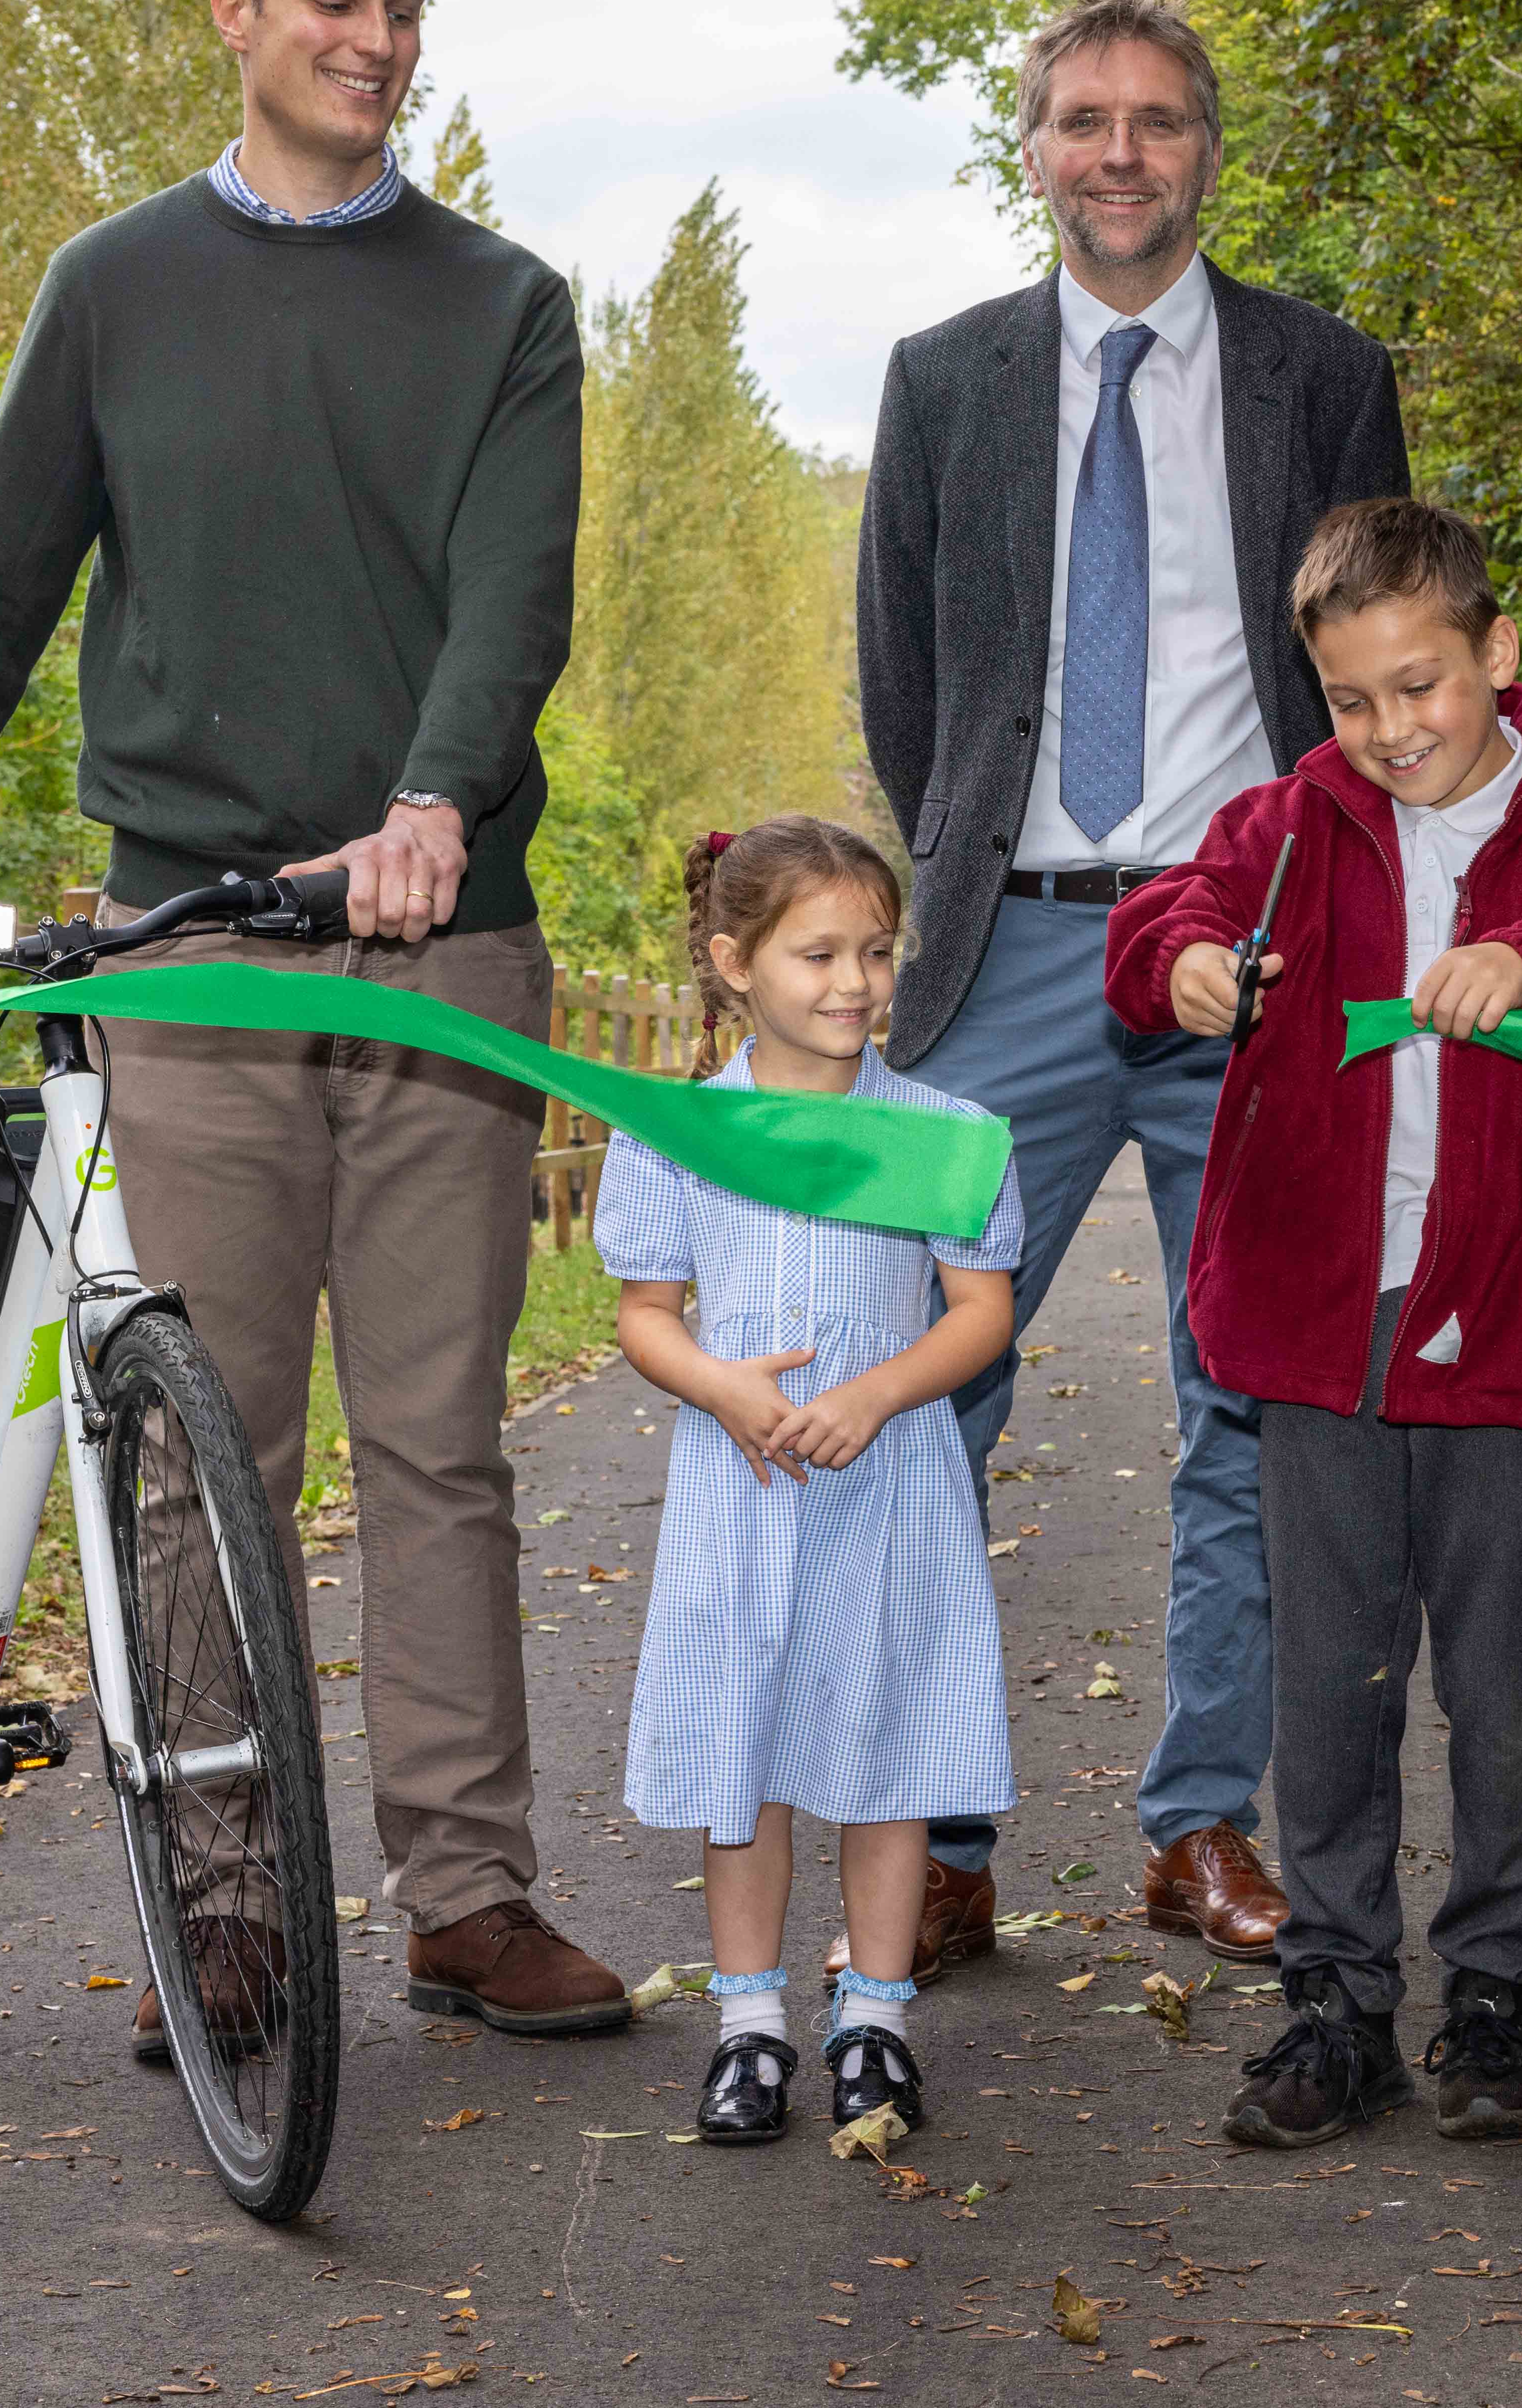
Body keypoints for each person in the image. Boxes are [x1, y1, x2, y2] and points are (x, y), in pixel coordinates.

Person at [0, 0, 631, 2051]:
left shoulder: (506, 305)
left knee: (442, 1433)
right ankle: (227, 1903)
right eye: (331, 0)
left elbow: (508, 602)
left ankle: (465, 1890)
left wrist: (435, 799)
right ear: (232, 14)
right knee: (204, 1443)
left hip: (441, 948)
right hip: (186, 948)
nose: (372, 39)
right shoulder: (112, 291)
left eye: (403, 5)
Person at [853, 0, 1412, 1980]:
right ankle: (938, 1841)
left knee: (1246, 1395)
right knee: (937, 1394)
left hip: (1254, 949)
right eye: (1082, 118)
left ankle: (1200, 1826)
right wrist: (991, 875)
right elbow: (906, 692)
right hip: (1013, 935)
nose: (1119, 152)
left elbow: (1374, 673)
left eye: (1157, 119)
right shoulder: (942, 383)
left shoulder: (1322, 378)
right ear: (1029, 144)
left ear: (1206, 143)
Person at [1104, 498, 1522, 2147]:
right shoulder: (1291, 821)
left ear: (1498, 659)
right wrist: (1186, 969)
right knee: (1332, 1680)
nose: (1391, 731)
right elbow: (1155, 921)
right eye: (1354, 700)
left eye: (1422, 687)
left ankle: (1499, 1999)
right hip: (1319, 1320)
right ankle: (1336, 2001)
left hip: (1511, 1327)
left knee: (1505, 1686)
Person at [597, 821, 1028, 2148]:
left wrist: (875, 1393)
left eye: (877, 952)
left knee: (888, 1754)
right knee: (751, 1761)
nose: (856, 982)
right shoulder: (682, 1129)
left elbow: (982, 1311)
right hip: (746, 1493)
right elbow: (646, 1313)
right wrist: (726, 1387)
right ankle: (748, 2027)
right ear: (733, 962)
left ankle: (877, 2023)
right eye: (819, 952)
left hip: (888, 1489)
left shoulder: (945, 1138)